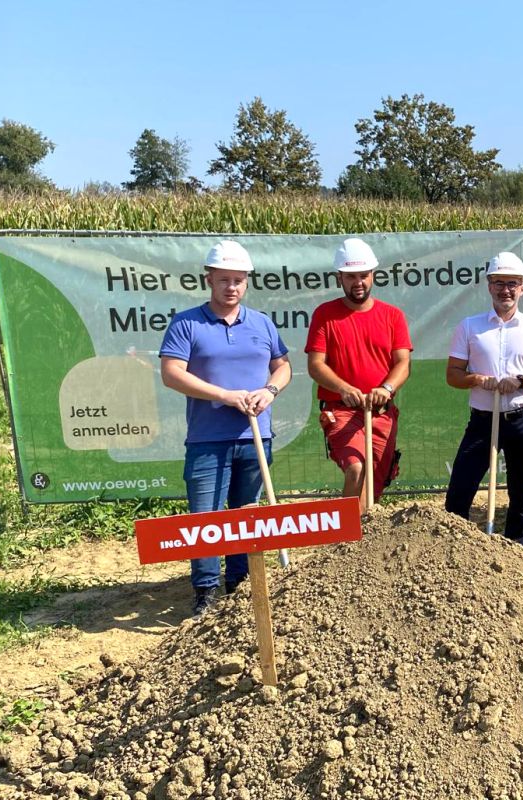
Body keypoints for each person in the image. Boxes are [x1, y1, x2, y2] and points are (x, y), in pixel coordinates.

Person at [159, 240, 291, 617]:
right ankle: (206, 592)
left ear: (246, 282)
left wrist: (269, 391)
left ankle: (238, 584)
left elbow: (283, 366)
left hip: (255, 436)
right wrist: (224, 395)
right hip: (207, 439)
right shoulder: (187, 322)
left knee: (245, 515)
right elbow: (172, 374)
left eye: (238, 280)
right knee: (207, 518)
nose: (231, 287)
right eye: (224, 280)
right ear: (209, 279)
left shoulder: (262, 323)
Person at [444, 252, 523, 543]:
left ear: (522, 287)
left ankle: (515, 552)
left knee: (521, 493)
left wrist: (521, 381)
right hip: (482, 421)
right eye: (498, 283)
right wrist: (479, 380)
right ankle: (456, 550)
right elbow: (453, 375)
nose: (505, 289)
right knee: (459, 490)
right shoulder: (469, 327)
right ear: (489, 286)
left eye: (512, 283)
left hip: (522, 420)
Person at [306, 238, 412, 507]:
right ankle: (350, 539)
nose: (358, 282)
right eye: (351, 276)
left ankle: (365, 540)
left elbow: (403, 363)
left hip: (380, 411)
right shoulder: (325, 314)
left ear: (373, 275)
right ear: (339, 277)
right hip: (340, 410)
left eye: (363, 275)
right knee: (356, 467)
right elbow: (316, 365)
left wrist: (386, 389)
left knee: (375, 482)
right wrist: (344, 388)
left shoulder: (393, 316)